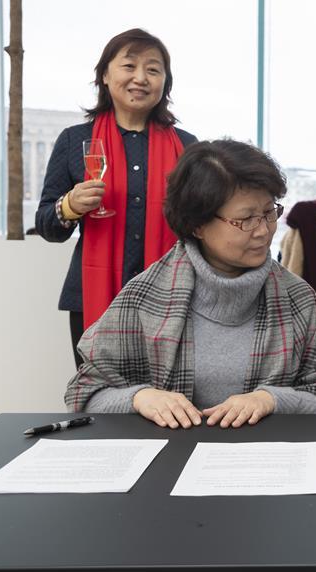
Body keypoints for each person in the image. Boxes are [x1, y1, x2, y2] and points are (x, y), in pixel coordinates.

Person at [64, 140, 316, 427]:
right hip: (170, 461)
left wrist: (272, 400)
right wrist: (140, 398)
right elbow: (84, 392)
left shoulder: (297, 298)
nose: (264, 231)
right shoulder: (144, 297)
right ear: (198, 225)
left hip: (268, 462)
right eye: (246, 219)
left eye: (269, 212)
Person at [35, 28, 197, 368]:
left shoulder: (187, 146)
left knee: (170, 402)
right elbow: (48, 226)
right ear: (105, 76)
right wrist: (70, 206)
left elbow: (201, 223)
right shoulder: (74, 140)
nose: (141, 77)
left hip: (172, 297)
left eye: (153, 69)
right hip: (91, 296)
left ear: (165, 83)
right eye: (129, 66)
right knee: (97, 399)